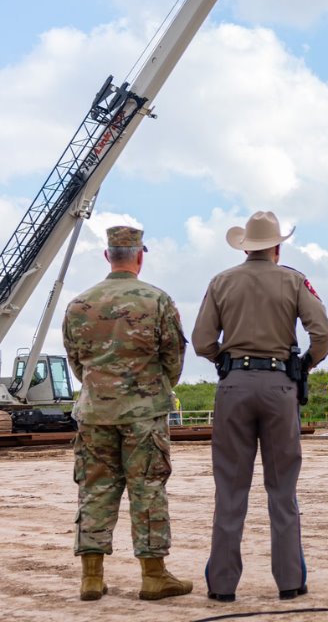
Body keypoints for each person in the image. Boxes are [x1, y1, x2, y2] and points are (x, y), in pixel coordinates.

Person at [192, 210, 328, 602]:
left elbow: (202, 340)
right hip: (279, 388)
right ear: (277, 246)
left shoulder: (221, 282)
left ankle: (222, 586)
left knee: (231, 491)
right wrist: (305, 363)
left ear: (246, 246)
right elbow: (321, 330)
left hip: (233, 387)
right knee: (282, 490)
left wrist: (226, 359)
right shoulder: (293, 279)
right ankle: (289, 582)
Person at [62, 225, 192, 602]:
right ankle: (153, 576)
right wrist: (155, 387)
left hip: (94, 412)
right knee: (148, 489)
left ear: (107, 256)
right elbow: (173, 357)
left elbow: (76, 361)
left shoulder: (78, 304)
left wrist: (99, 388)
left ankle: (91, 578)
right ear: (140, 256)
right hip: (144, 412)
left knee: (94, 490)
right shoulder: (157, 300)